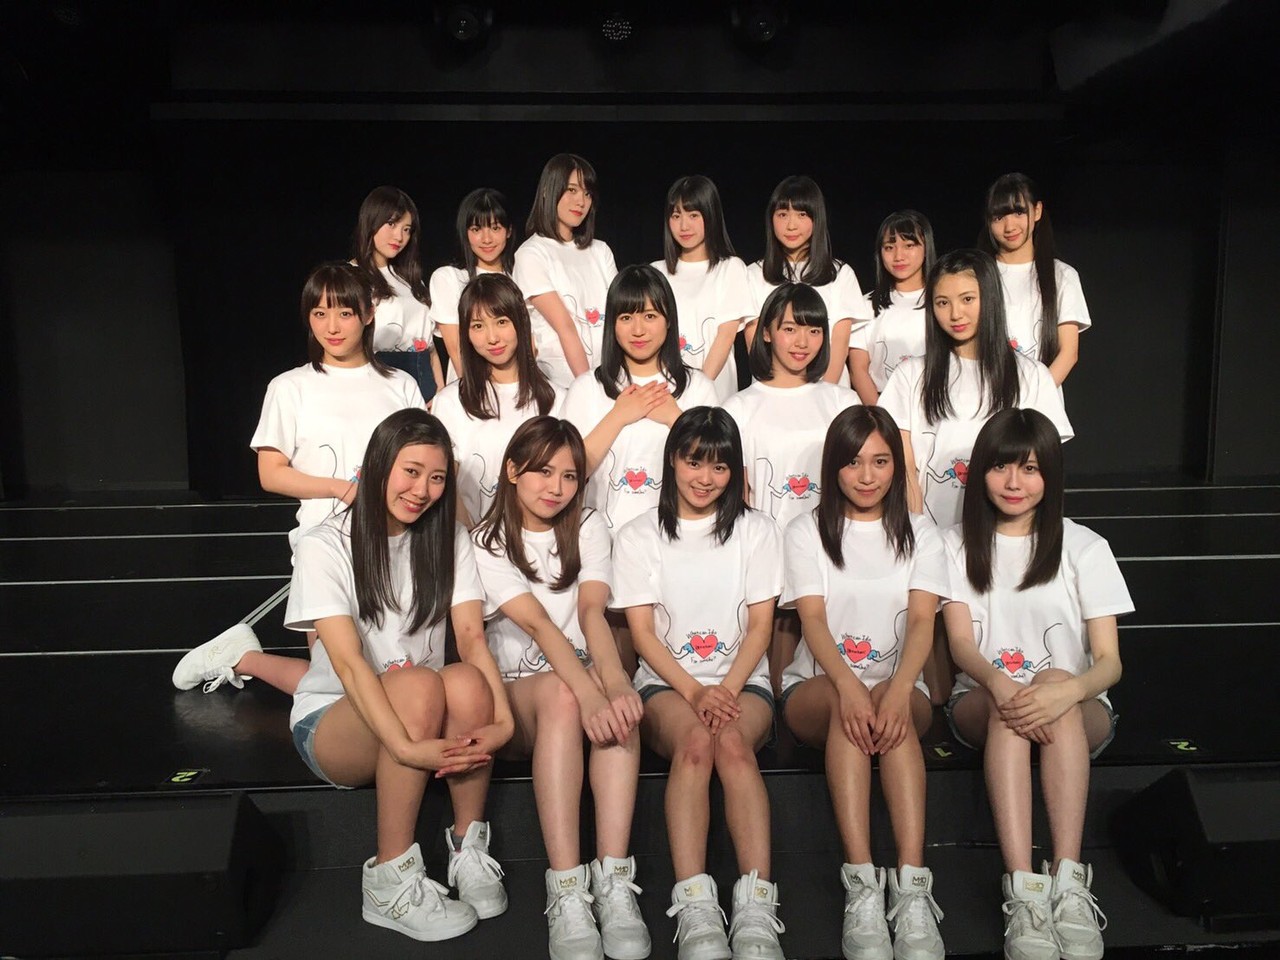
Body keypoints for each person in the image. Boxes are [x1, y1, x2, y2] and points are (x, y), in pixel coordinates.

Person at [286, 408, 514, 942]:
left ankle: (467, 847)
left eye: (437, 478)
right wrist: (406, 748)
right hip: (338, 723)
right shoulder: (324, 544)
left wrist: (503, 722)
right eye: (411, 472)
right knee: (418, 682)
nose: (422, 490)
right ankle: (389, 880)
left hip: (419, 712)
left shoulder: (447, 537)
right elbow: (348, 663)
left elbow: (472, 638)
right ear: (379, 465)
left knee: (466, 681)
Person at [172, 262, 424, 696]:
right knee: (338, 687)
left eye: (344, 313)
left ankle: (241, 656)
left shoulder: (400, 385)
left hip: (397, 544)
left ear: (368, 314)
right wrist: (340, 488)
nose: (332, 326)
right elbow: (271, 474)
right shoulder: (290, 387)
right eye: (319, 313)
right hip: (323, 544)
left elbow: (421, 460)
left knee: (396, 681)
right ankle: (243, 659)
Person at [940, 408, 1130, 960]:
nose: (1014, 482)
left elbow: (1109, 663)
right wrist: (999, 684)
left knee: (1052, 685)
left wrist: (1065, 690)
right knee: (1012, 708)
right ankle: (1025, 893)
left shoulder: (1084, 546)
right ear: (981, 472)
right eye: (1001, 467)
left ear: (1050, 475)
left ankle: (1068, 885)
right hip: (982, 700)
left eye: (1029, 469)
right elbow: (961, 646)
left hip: (1076, 705)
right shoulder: (952, 546)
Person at [471, 416, 650, 960]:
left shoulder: (589, 525)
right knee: (567, 694)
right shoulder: (486, 540)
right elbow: (538, 625)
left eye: (570, 476)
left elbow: (592, 610)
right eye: (543, 472)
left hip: (580, 682)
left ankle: (614, 880)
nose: (556, 487)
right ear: (512, 470)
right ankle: (567, 888)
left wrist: (615, 682)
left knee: (617, 697)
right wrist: (591, 692)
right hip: (521, 697)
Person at [613, 407, 787, 960]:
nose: (705, 478)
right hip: (668, 686)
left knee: (731, 745)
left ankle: (756, 906)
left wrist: (726, 690)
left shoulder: (758, 531)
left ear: (734, 471)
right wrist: (695, 693)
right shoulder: (638, 535)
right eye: (694, 462)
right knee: (694, 745)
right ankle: (695, 905)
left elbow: (761, 628)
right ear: (673, 461)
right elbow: (642, 635)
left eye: (719, 466)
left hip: (742, 684)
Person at [779, 406, 947, 960]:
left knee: (889, 711)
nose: (867, 476)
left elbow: (922, 622)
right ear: (834, 467)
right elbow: (812, 620)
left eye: (880, 461)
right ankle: (862, 887)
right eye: (853, 462)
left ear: (897, 466)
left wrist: (897, 690)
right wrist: (851, 688)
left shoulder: (922, 533)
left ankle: (912, 887)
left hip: (900, 688)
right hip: (820, 689)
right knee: (850, 705)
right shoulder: (805, 530)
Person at [722, 282, 859, 692]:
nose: (803, 342)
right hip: (766, 561)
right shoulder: (738, 408)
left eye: (814, 330)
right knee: (770, 681)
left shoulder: (842, 402)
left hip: (832, 554)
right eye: (790, 329)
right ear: (766, 332)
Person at [878, 249, 1073, 532]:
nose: (955, 314)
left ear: (990, 297)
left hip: (1007, 534)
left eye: (967, 299)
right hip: (934, 535)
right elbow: (903, 462)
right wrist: (917, 529)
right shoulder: (910, 375)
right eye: (942, 302)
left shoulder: (1032, 376)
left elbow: (1045, 465)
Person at [562, 264, 721, 536]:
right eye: (626, 317)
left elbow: (715, 469)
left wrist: (676, 420)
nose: (638, 330)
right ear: (612, 323)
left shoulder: (698, 388)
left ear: (668, 320)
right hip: (601, 540)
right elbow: (565, 473)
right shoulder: (586, 389)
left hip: (676, 538)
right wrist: (618, 417)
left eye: (649, 316)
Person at [430, 273, 563, 527]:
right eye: (478, 326)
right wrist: (475, 540)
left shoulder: (557, 399)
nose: (492, 338)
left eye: (501, 322)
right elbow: (446, 486)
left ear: (520, 322)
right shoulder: (449, 403)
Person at [745, 175, 871, 386]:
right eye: (782, 214)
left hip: (829, 393)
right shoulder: (754, 274)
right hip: (772, 393)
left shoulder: (840, 274)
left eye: (801, 214)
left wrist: (820, 395)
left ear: (817, 218)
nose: (791, 225)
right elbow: (756, 346)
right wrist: (780, 393)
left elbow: (839, 347)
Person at [514, 154, 618, 388]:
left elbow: (618, 316)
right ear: (547, 191)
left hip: (612, 378)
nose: (581, 201)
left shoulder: (600, 251)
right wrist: (588, 389)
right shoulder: (531, 253)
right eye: (572, 190)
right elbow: (565, 326)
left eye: (587, 193)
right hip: (564, 385)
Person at [978, 173, 1091, 388]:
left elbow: (1068, 353)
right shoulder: (976, 274)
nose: (1009, 226)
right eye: (999, 217)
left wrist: (1036, 397)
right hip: (983, 399)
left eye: (1019, 212)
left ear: (1037, 210)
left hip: (1040, 401)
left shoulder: (1062, 275)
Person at [654, 175, 755, 400]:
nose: (684, 225)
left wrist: (698, 392)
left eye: (693, 215)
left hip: (712, 395)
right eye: (676, 216)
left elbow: (725, 336)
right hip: (663, 394)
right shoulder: (656, 272)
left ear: (710, 216)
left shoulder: (730, 268)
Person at [351, 185, 444, 403]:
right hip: (380, 383)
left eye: (407, 229)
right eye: (391, 224)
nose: (399, 236)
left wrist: (440, 393)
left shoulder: (411, 280)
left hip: (424, 384)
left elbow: (429, 347)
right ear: (371, 221)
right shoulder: (352, 276)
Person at [430, 187, 517, 383]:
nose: (487, 239)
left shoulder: (521, 276)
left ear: (509, 231)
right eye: (476, 229)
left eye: (495, 228)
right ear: (465, 232)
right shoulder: (449, 278)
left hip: (520, 385)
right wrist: (479, 391)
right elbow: (456, 349)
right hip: (471, 387)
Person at [849, 211, 936, 406]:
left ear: (926, 248)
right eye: (889, 247)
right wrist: (882, 415)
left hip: (934, 404)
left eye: (909, 245)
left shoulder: (941, 300)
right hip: (881, 405)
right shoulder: (865, 304)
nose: (898, 256)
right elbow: (858, 369)